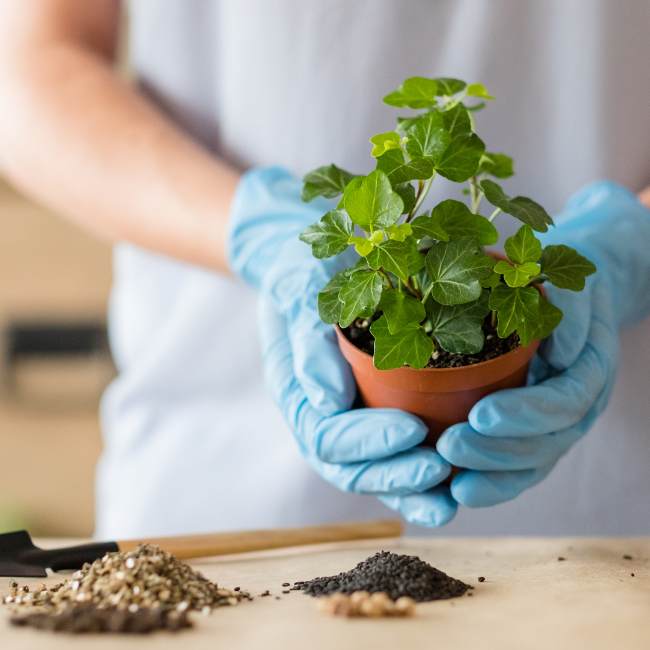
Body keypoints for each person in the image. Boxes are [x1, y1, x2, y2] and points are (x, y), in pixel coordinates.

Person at [0, 0, 648, 538]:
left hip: (615, 533)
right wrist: (250, 227)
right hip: (217, 511)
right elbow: (26, 71)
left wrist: (633, 243)